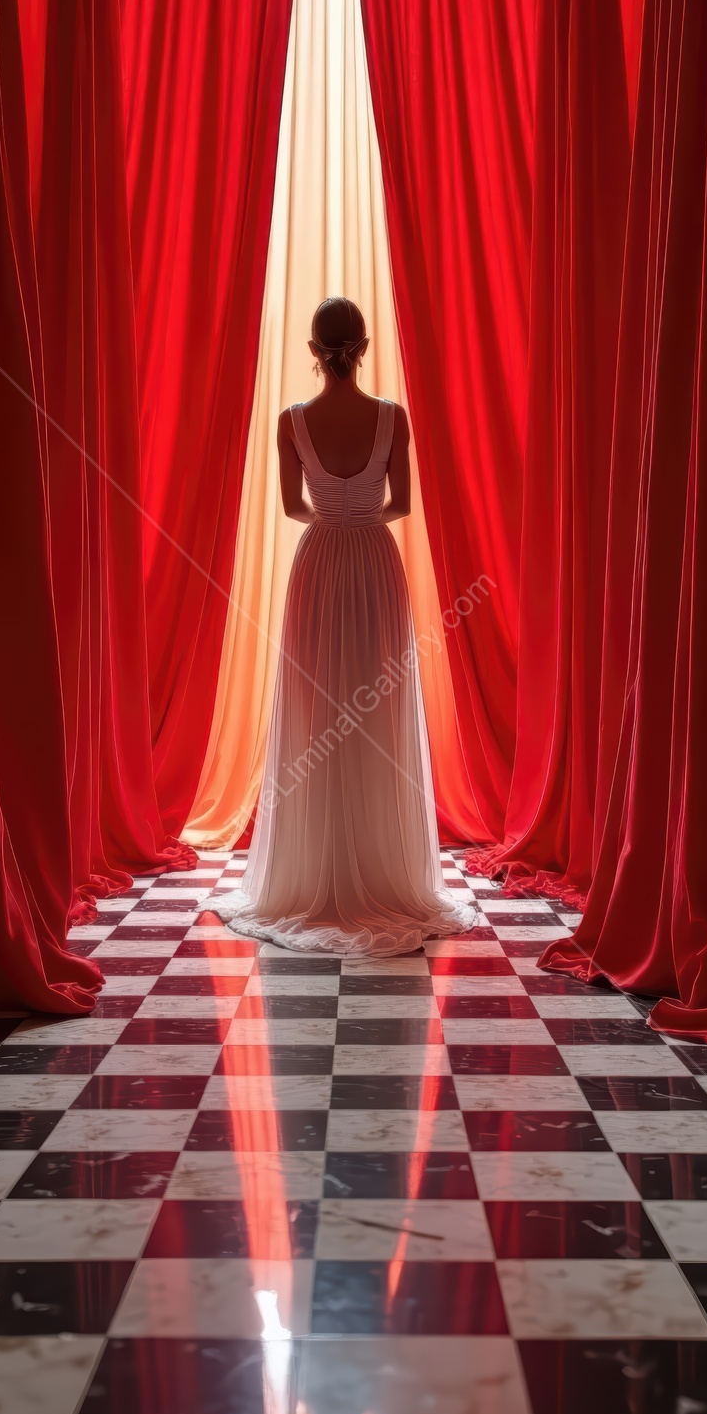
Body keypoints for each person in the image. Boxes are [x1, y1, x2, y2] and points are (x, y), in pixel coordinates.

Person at [206, 297, 477, 955]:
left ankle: (312, 868)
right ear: (361, 346)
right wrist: (361, 518)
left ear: (313, 347)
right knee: (377, 704)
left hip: (321, 563)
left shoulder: (292, 421)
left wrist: (334, 519)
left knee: (316, 709)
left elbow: (294, 505)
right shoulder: (392, 419)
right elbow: (403, 503)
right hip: (375, 566)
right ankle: (384, 866)